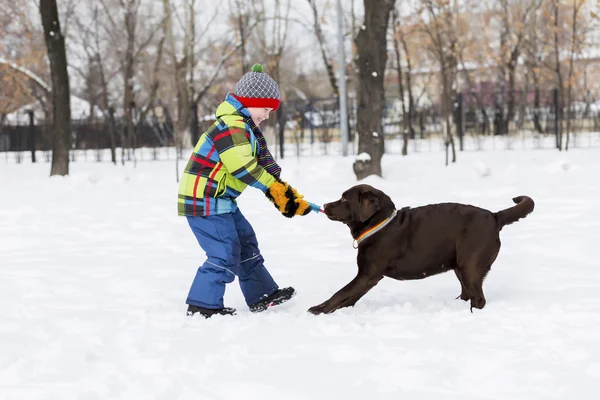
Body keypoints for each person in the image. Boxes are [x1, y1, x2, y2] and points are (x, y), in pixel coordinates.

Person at [178, 63, 320, 318]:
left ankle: (261, 294)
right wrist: (275, 189)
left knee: (245, 243)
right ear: (249, 102)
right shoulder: (232, 126)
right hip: (204, 202)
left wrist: (281, 190)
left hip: (221, 201)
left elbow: (254, 166)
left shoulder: (243, 127)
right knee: (224, 251)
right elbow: (244, 167)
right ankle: (202, 305)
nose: (267, 115)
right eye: (265, 108)